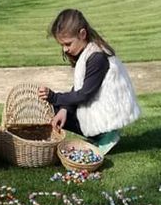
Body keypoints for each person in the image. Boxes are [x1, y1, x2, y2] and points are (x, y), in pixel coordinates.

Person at [37, 8, 141, 154]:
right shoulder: (88, 52)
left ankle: (105, 135)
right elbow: (79, 87)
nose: (65, 49)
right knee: (59, 109)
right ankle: (99, 135)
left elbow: (84, 94)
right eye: (62, 45)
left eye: (68, 44)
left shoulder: (97, 57)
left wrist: (54, 97)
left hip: (108, 114)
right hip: (100, 107)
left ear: (82, 34)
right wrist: (65, 109)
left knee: (54, 106)